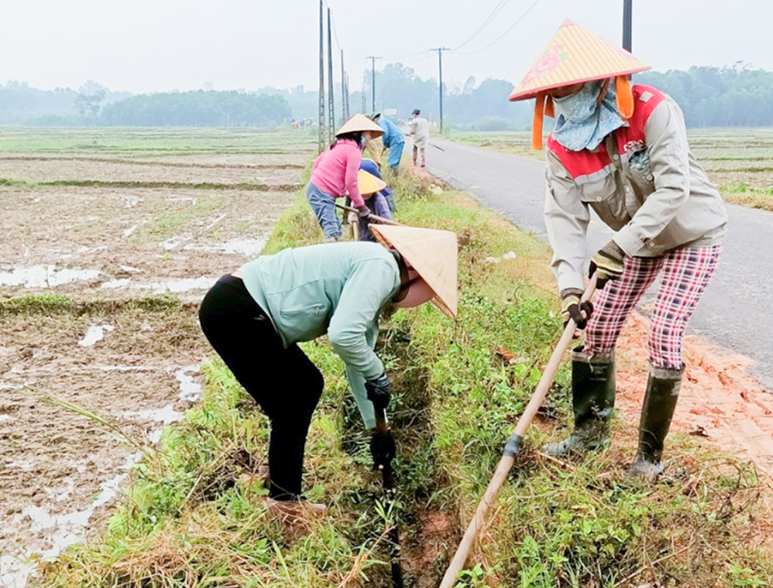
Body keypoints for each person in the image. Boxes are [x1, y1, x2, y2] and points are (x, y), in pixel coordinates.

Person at [509, 20, 728, 480]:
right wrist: (570, 287)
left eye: (574, 87)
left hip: (692, 233)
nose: (567, 98)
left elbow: (673, 190)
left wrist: (617, 246)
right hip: (635, 244)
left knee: (664, 331)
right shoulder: (561, 147)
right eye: (557, 93)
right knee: (596, 326)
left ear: (600, 81)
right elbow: (565, 220)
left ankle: (648, 460)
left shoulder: (653, 111)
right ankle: (588, 437)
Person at [199, 225, 458, 531]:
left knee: (300, 390)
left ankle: (280, 479)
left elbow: (356, 362)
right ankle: (285, 505)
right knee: (297, 395)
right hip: (239, 308)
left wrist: (378, 430)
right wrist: (379, 374)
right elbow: (344, 336)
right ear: (416, 272)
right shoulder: (382, 267)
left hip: (238, 307)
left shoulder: (376, 274)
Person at [307, 114, 383, 242]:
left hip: (316, 189)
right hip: (321, 192)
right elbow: (351, 182)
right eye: (367, 135)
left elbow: (317, 162)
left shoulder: (338, 145)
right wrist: (361, 206)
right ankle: (332, 258)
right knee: (332, 232)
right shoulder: (353, 151)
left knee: (336, 227)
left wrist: (320, 184)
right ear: (359, 134)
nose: (368, 138)